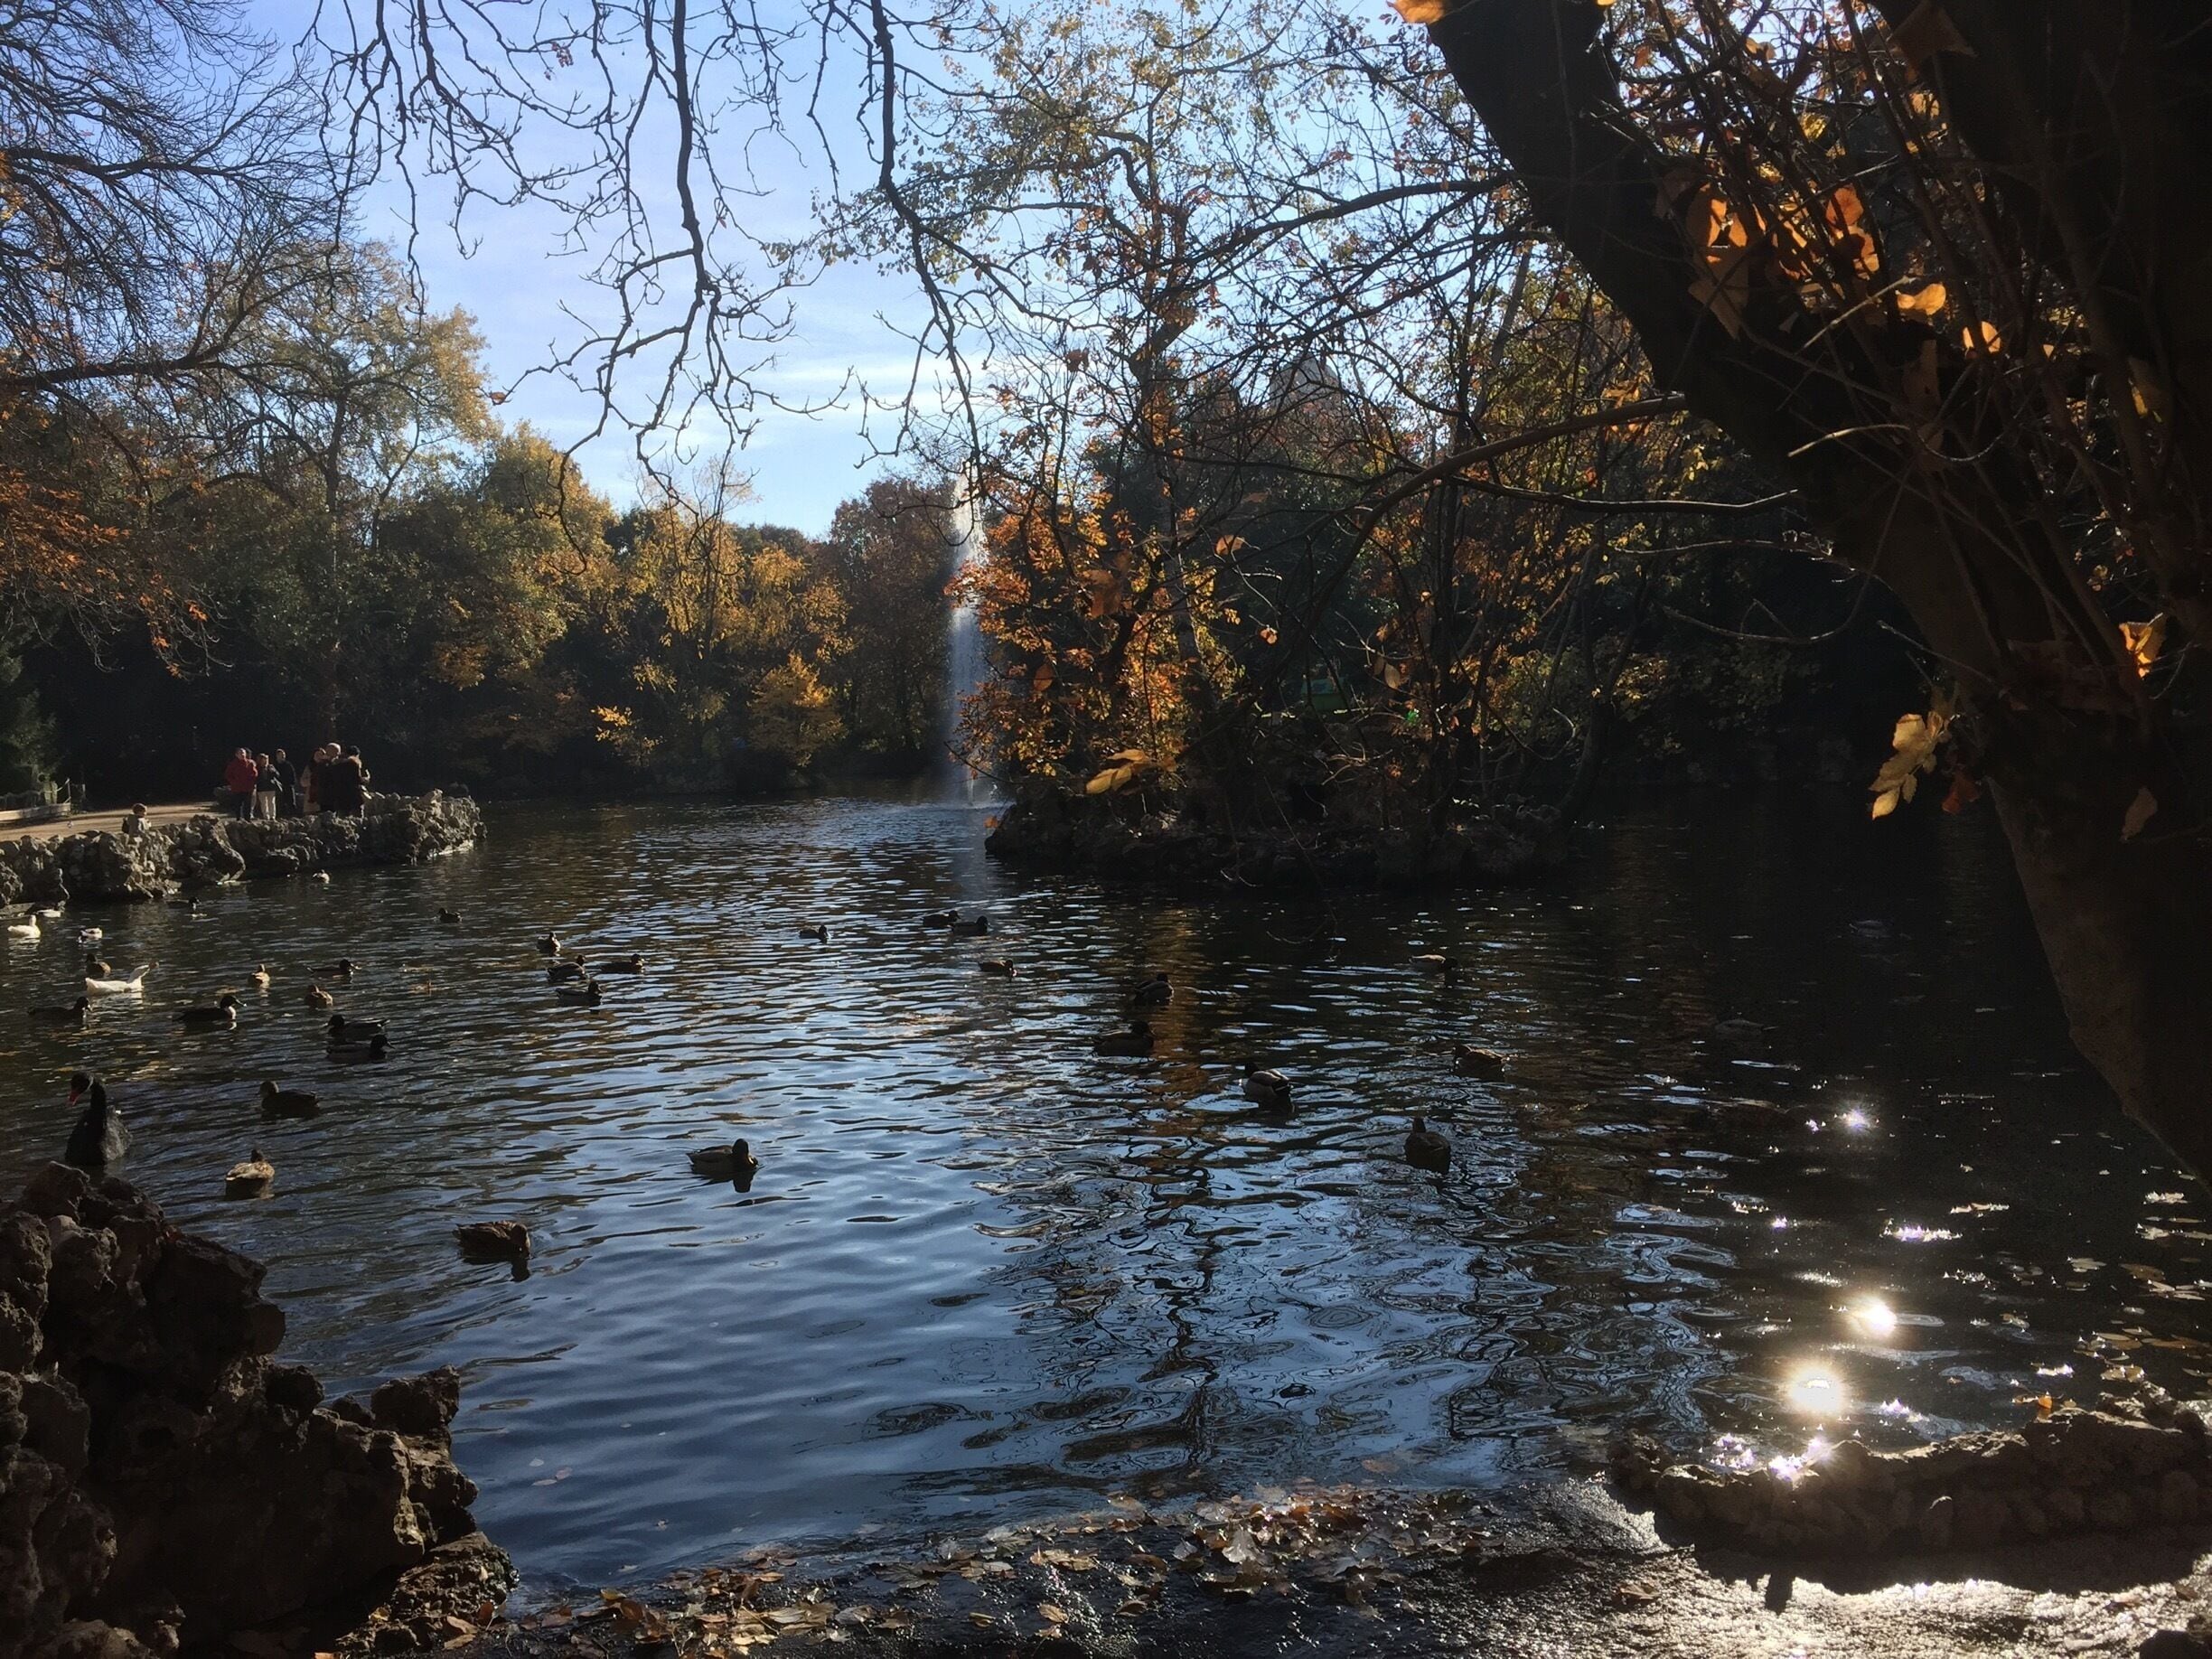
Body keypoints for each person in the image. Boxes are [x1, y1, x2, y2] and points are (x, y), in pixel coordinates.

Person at [321, 744, 366, 817]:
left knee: (342, 820)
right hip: (354, 797)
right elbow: (357, 780)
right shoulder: (354, 764)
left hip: (340, 798)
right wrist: (365, 780)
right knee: (358, 820)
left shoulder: (333, 765)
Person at [223, 748, 258, 820]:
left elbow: (255, 774)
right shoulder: (232, 764)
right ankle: (238, 819)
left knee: (247, 805)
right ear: (236, 755)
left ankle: (247, 820)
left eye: (243, 753)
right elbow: (227, 775)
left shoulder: (250, 763)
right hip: (237, 788)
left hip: (247, 788)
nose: (242, 754)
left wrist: (251, 782)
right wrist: (234, 782)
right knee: (237, 805)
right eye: (240, 753)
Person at [271, 748, 299, 816]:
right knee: (280, 804)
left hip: (288, 785)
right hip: (279, 787)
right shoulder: (274, 766)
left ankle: (293, 817)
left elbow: (293, 775)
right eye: (281, 755)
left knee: (291, 803)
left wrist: (292, 784)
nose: (283, 756)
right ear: (277, 756)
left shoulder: (288, 765)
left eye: (284, 755)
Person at [253, 752, 278, 820]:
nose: (266, 761)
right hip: (261, 788)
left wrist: (273, 771)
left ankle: (272, 816)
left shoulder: (271, 767)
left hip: (271, 787)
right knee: (263, 803)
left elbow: (277, 775)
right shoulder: (257, 768)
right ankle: (266, 816)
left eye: (267, 759)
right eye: (264, 759)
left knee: (272, 802)